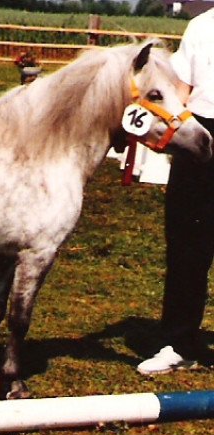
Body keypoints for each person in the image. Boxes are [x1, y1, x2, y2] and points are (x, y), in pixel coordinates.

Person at [137, 8, 214, 375]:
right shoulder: (201, 26)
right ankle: (178, 343)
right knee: (187, 243)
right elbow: (179, 92)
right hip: (201, 133)